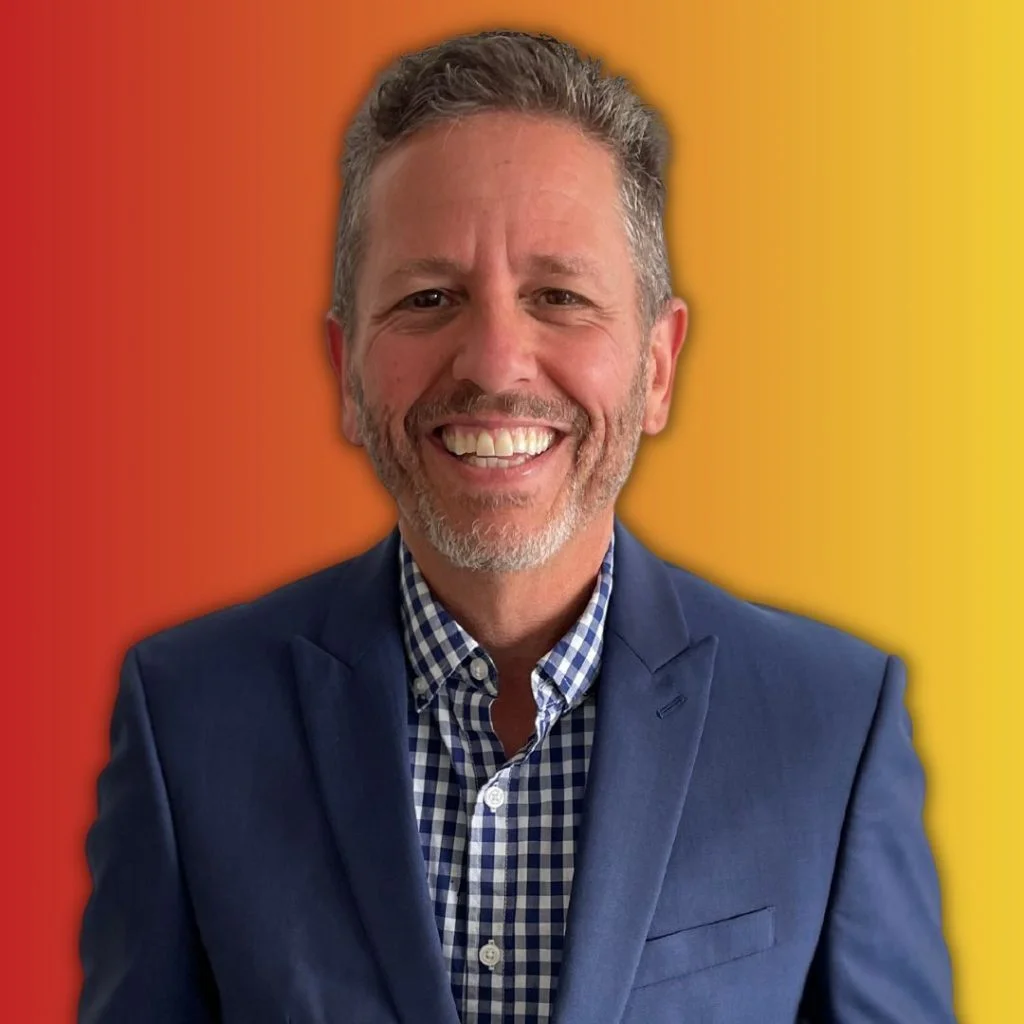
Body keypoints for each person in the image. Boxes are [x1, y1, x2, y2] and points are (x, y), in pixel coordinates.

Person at [79, 29, 956, 1024]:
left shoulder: (831, 725)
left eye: (559, 297)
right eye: (428, 298)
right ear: (347, 372)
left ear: (656, 365)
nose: (495, 363)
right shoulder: (187, 719)